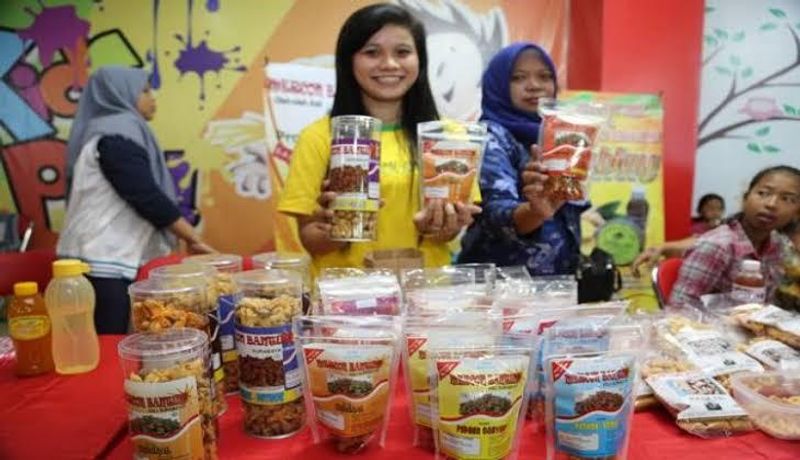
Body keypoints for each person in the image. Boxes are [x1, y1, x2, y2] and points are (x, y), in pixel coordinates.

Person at [278, 3, 480, 274]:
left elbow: (448, 235)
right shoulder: (319, 137)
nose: (389, 64)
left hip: (425, 292)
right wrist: (342, 227)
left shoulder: (447, 137)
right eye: (372, 52)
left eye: (403, 52)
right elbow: (311, 241)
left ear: (420, 59)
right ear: (349, 60)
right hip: (348, 294)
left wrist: (440, 226)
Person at [58, 66, 214, 334]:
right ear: (122, 93)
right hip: (102, 260)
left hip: (103, 256)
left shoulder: (113, 130)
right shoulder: (115, 134)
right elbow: (145, 195)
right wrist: (192, 238)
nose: (152, 97)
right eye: (145, 91)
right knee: (109, 341)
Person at [457, 42, 588, 275]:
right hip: (500, 285)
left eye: (544, 76)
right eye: (518, 78)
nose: (534, 86)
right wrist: (535, 211)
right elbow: (497, 214)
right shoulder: (491, 136)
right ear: (498, 85)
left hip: (555, 284)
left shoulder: (559, 136)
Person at [670, 165, 800, 306]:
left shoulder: (777, 244)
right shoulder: (717, 246)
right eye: (763, 193)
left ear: (797, 212)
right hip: (710, 320)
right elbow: (679, 308)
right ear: (745, 199)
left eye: (787, 199)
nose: (771, 204)